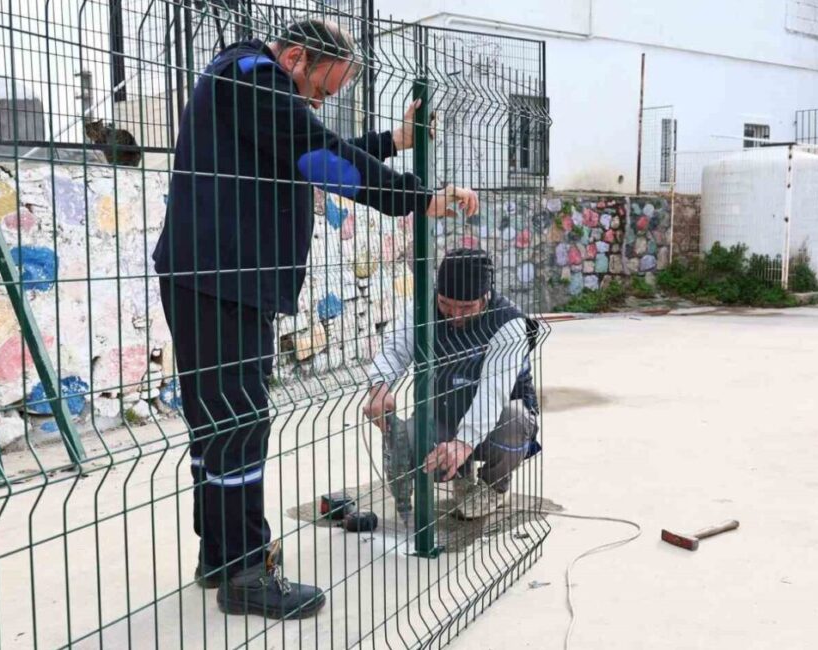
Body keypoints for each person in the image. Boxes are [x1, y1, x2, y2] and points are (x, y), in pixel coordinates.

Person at [152, 19, 479, 620]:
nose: (318, 102)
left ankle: (221, 555)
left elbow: (305, 142)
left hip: (212, 277)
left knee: (217, 422)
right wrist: (417, 197)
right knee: (240, 421)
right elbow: (318, 152)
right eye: (321, 89)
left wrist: (393, 141)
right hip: (224, 280)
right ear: (296, 58)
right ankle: (246, 571)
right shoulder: (251, 75)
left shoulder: (247, 85)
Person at [363, 249, 541, 520]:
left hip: (498, 421)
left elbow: (492, 393)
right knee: (405, 441)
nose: (455, 315)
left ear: (485, 296)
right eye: (446, 303)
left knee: (515, 419)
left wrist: (464, 441)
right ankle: (461, 474)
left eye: (466, 308)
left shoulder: (509, 324)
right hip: (445, 413)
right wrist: (379, 385)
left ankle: (494, 486)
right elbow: (395, 350)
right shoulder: (422, 308)